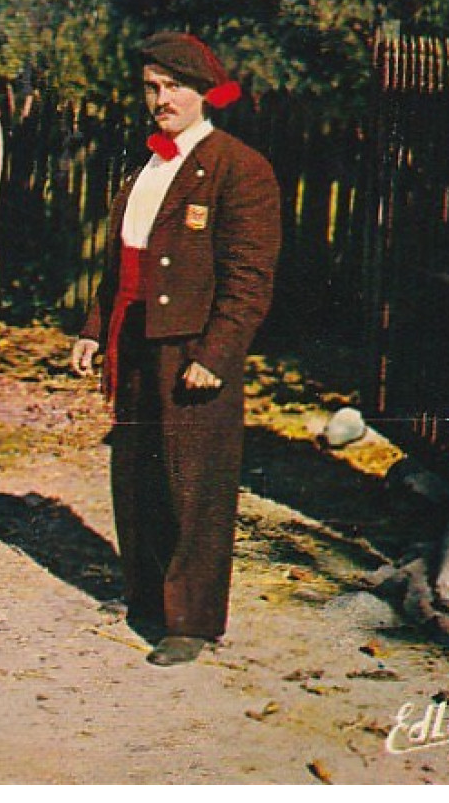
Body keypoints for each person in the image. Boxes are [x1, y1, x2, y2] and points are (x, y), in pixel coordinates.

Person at [70, 33, 281, 667]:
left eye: (175, 88)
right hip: (134, 339)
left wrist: (214, 355)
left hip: (191, 345)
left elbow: (249, 277)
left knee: (195, 482)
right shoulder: (147, 168)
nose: (162, 101)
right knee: (136, 474)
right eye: (153, 89)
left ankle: (191, 622)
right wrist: (91, 326)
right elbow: (121, 265)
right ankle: (147, 597)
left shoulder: (237, 168)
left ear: (206, 93)